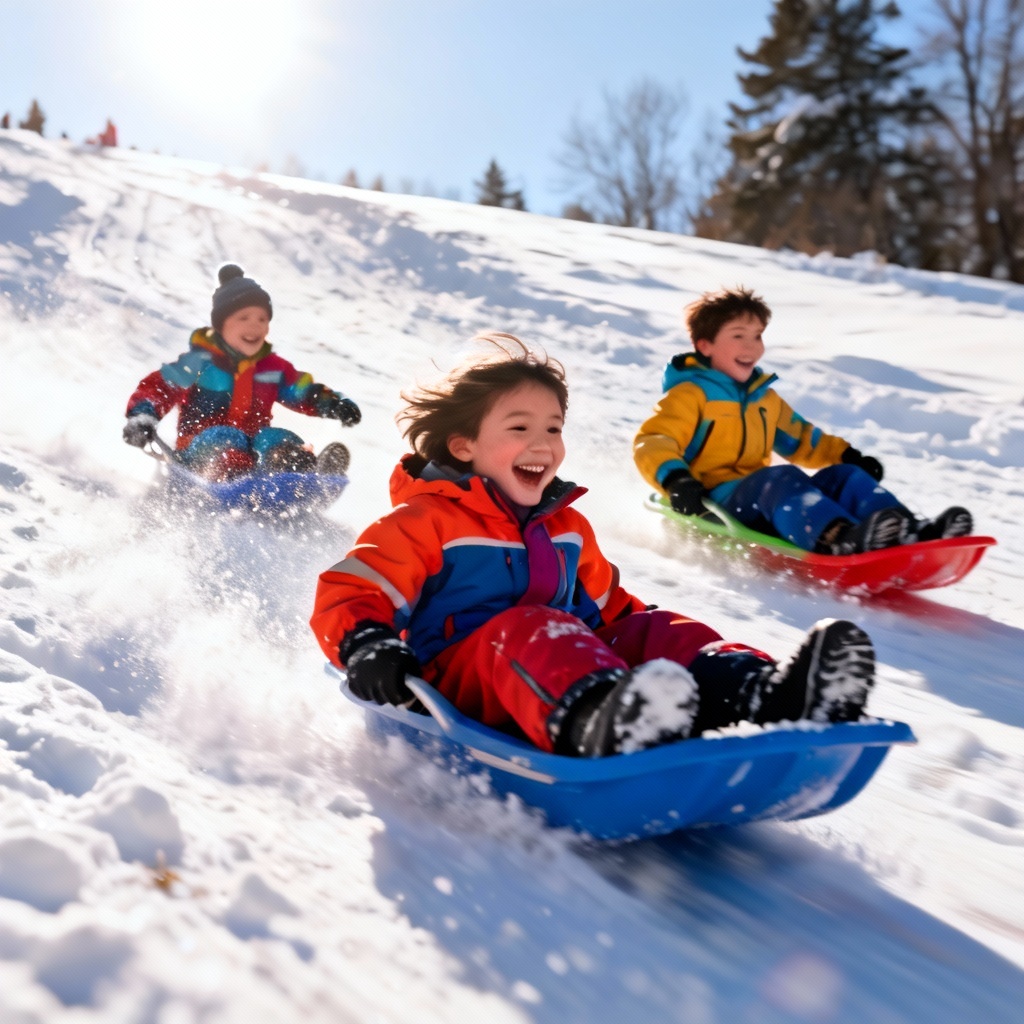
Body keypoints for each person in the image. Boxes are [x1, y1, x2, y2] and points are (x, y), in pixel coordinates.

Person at [311, 333, 876, 758]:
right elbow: (350, 591)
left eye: (553, 429)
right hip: (457, 685)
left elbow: (611, 612)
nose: (543, 444)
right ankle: (602, 719)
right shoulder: (425, 519)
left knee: (651, 626)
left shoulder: (567, 528)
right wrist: (368, 646)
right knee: (529, 626)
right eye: (519, 428)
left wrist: (653, 642)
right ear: (463, 447)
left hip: (560, 667)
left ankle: (764, 693)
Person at [634, 286, 973, 554]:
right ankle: (835, 537)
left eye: (758, 336)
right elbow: (654, 441)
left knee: (844, 477)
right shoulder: (690, 394)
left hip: (764, 494)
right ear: (705, 346)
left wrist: (846, 456)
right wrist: (677, 482)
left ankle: (908, 530)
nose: (751, 346)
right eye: (739, 335)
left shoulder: (764, 399)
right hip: (712, 500)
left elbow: (802, 439)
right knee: (781, 478)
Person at [123, 263, 360, 480]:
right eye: (243, 318)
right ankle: (230, 474)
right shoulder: (202, 361)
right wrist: (142, 416)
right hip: (198, 451)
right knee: (226, 437)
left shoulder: (272, 368)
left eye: (261, 319)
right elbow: (163, 386)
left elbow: (302, 391)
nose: (254, 326)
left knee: (273, 437)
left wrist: (334, 404)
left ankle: (299, 470)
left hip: (255, 450)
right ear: (221, 324)